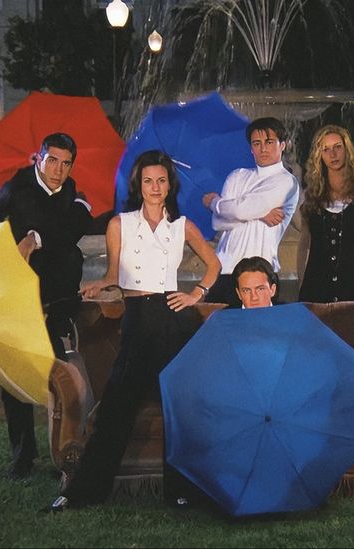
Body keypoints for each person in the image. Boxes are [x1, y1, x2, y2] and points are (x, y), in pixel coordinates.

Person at [48, 150, 220, 511]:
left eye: (161, 180)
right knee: (114, 410)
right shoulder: (119, 224)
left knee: (182, 407)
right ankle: (82, 494)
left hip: (173, 320)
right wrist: (100, 286)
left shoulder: (183, 225)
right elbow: (115, 276)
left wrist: (196, 294)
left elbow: (214, 264)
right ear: (138, 185)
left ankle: (183, 493)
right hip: (138, 319)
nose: (155, 187)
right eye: (148, 181)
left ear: (169, 184)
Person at [0, 132, 92, 480]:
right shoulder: (14, 191)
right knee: (14, 378)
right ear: (38, 158)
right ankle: (22, 455)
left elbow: (72, 232)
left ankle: (64, 452)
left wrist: (37, 236)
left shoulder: (71, 191)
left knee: (61, 376)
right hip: (18, 295)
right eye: (52, 160)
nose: (58, 170)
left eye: (65, 163)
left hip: (57, 300)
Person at [202, 117, 300, 307]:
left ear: (283, 145)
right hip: (222, 271)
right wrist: (260, 215)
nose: (263, 148)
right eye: (257, 143)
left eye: (269, 142)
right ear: (251, 148)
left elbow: (239, 209)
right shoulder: (237, 176)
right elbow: (218, 222)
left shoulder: (285, 181)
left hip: (258, 275)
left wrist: (215, 202)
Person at [297, 125, 354, 303]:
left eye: (337, 147)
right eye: (325, 149)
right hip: (316, 286)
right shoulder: (310, 195)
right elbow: (305, 244)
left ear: (347, 149)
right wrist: (301, 283)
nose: (332, 154)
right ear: (319, 155)